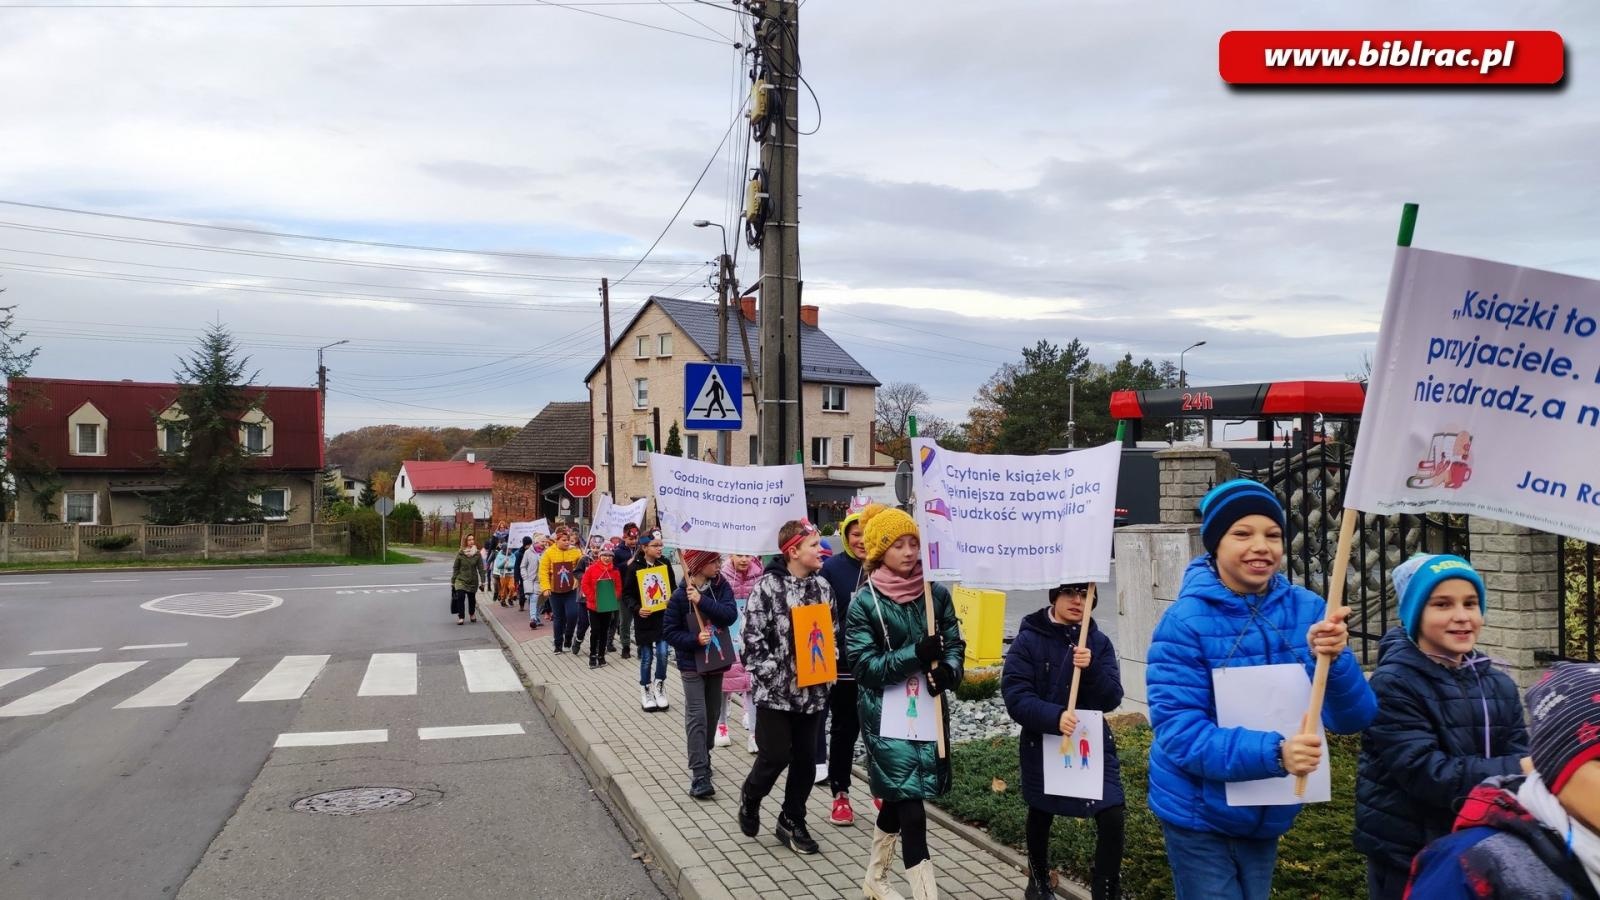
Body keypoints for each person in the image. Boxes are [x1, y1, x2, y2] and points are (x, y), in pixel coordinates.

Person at [1145, 479, 1376, 900]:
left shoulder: (1309, 610)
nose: (1261, 546)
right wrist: (1275, 754)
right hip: (1198, 812)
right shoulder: (1183, 623)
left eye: (1273, 535)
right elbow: (1179, 733)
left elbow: (1353, 718)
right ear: (1215, 545)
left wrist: (1335, 658)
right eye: (1242, 534)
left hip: (1269, 808)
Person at [1353, 554, 1529, 899]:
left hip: (1484, 848)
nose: (1462, 616)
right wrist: (1520, 769)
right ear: (1416, 614)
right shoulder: (1394, 683)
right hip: (1411, 854)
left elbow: (1520, 750)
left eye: (1471, 603)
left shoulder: (1499, 684)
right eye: (1442, 604)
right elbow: (1427, 773)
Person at [842, 506, 964, 900]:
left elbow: (955, 644)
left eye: (914, 543)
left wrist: (948, 670)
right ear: (880, 550)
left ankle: (875, 879)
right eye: (899, 544)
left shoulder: (936, 593)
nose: (909, 552)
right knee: (912, 809)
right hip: (885, 716)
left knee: (898, 797)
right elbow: (864, 667)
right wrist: (915, 653)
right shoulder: (865, 603)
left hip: (926, 712)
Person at [1406, 662, 1600, 898]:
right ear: (1555, 766)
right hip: (1411, 830)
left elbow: (1517, 742)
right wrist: (1521, 764)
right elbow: (1422, 768)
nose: (1463, 622)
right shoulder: (1472, 866)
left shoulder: (1500, 682)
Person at [1002, 582, 1125, 900]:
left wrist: (1092, 667)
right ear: (1054, 596)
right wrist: (1053, 717)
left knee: (1111, 813)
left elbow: (1111, 697)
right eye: (1070, 593)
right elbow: (1016, 696)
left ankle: (1106, 889)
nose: (1078, 601)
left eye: (1086, 595)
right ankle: (1039, 880)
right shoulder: (1029, 639)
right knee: (1041, 811)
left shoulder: (1098, 642)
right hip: (1045, 742)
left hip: (1090, 744)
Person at [737, 519, 834, 856]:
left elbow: (830, 632)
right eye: (813, 545)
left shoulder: (822, 587)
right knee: (775, 756)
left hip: (813, 693)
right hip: (775, 695)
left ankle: (792, 819)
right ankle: (751, 795)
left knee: (807, 762)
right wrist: (775, 676)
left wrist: (827, 662)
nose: (821, 550)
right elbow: (750, 641)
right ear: (793, 551)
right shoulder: (766, 588)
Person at [664, 548, 738, 799]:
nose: (719, 565)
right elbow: (670, 632)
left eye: (719, 560)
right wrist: (695, 639)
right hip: (691, 665)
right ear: (699, 565)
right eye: (714, 561)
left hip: (715, 663)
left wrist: (702, 601)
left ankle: (704, 754)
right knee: (697, 715)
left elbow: (730, 615)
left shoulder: (721, 587)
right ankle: (699, 774)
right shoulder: (678, 597)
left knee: (712, 713)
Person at [819, 508, 870, 825]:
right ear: (847, 536)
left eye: (867, 533)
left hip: (880, 669)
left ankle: (884, 792)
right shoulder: (833, 570)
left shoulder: (885, 567)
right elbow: (820, 619)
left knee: (880, 734)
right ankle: (841, 794)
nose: (862, 540)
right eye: (856, 534)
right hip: (844, 669)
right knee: (844, 731)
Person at [624, 530, 674, 711]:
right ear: (645, 547)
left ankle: (659, 685)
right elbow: (627, 594)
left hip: (662, 618)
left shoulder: (665, 564)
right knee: (646, 656)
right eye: (656, 545)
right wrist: (637, 608)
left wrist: (671, 600)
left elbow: (673, 588)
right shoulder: (634, 567)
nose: (660, 548)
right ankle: (646, 689)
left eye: (661, 545)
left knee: (662, 653)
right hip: (644, 620)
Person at [722, 553, 764, 754]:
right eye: (739, 555)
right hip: (727, 636)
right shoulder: (722, 575)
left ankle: (755, 734)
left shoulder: (759, 575)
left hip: (750, 637)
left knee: (751, 684)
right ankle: (721, 725)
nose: (744, 559)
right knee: (725, 683)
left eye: (748, 555)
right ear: (731, 555)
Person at [539, 527, 583, 654]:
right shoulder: (548, 553)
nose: (567, 542)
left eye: (568, 540)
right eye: (564, 540)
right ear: (557, 540)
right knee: (559, 618)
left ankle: (568, 638)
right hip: (555, 591)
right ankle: (558, 644)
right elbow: (543, 572)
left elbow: (582, 566)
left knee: (573, 614)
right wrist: (546, 588)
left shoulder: (575, 552)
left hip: (571, 590)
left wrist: (584, 558)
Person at [580, 544, 623, 669]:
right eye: (604, 555)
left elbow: (618, 587)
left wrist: (613, 597)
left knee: (605, 631)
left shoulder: (615, 571)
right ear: (600, 556)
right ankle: (592, 655)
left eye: (610, 555)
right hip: (594, 606)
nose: (607, 558)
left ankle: (601, 655)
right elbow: (585, 584)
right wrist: (593, 597)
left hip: (607, 606)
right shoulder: (592, 569)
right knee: (595, 630)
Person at [613, 523, 641, 659]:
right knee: (625, 621)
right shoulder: (618, 552)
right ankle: (626, 646)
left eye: (635, 539)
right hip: (624, 591)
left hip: (640, 591)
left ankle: (642, 647)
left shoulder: (641, 550)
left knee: (641, 620)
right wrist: (626, 564)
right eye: (631, 539)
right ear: (624, 537)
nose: (633, 541)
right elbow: (613, 570)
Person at [451, 533, 481, 625]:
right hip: (461, 579)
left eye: (472, 539)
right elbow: (456, 567)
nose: (471, 541)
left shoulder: (477, 553)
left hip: (472, 580)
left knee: (471, 599)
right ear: (465, 541)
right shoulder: (461, 553)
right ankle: (461, 617)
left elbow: (481, 568)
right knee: (461, 597)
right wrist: (453, 580)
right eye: (469, 540)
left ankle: (472, 614)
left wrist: (483, 581)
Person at [521, 534, 547, 630]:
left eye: (545, 542)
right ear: (536, 542)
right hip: (533, 580)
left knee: (542, 601)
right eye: (542, 542)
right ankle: (533, 619)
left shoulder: (547, 552)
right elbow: (523, 566)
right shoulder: (528, 552)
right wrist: (525, 577)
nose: (544, 544)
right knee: (534, 598)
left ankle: (536, 617)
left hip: (544, 580)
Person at [512, 536, 533, 612]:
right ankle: (521, 605)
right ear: (525, 545)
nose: (530, 546)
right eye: (529, 545)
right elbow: (516, 566)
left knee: (532, 591)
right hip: (522, 575)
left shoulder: (532, 551)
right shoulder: (519, 553)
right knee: (522, 591)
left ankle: (532, 606)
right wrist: (516, 578)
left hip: (531, 573)